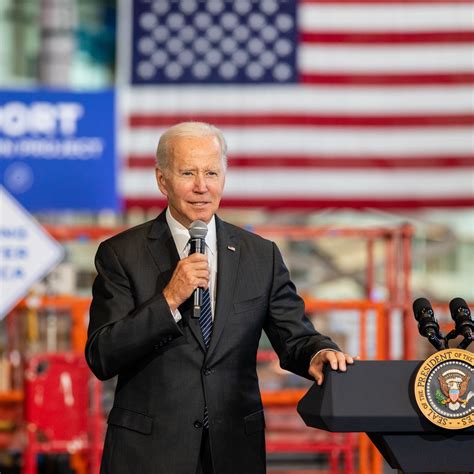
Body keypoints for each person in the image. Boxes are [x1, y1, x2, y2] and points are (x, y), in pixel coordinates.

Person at [85, 122, 354, 474]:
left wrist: (318, 353)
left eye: (211, 172)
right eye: (187, 173)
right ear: (162, 180)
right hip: (148, 454)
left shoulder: (261, 256)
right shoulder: (120, 254)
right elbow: (102, 355)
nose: (201, 186)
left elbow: (296, 336)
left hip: (233, 451)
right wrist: (168, 300)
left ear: (224, 178)